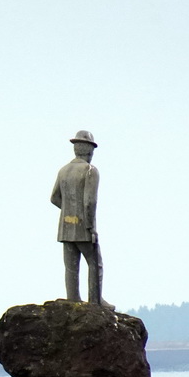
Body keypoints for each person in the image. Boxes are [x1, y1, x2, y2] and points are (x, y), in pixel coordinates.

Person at [50, 130, 110, 306]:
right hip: (83, 227)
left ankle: (73, 299)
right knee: (95, 263)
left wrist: (68, 210)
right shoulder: (90, 171)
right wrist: (90, 227)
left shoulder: (63, 170)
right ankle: (95, 300)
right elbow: (89, 202)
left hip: (65, 226)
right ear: (89, 150)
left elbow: (54, 198)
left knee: (71, 266)